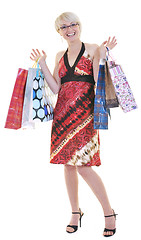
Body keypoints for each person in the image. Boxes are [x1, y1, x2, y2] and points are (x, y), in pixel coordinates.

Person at [30, 12, 118, 237]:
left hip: (85, 115)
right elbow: (57, 88)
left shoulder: (93, 48)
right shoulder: (60, 54)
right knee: (68, 165)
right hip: (63, 115)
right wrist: (42, 63)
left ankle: (109, 213)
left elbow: (98, 81)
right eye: (64, 27)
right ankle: (75, 212)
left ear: (80, 26)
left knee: (85, 166)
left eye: (73, 24)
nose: (69, 29)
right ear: (58, 31)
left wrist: (104, 54)